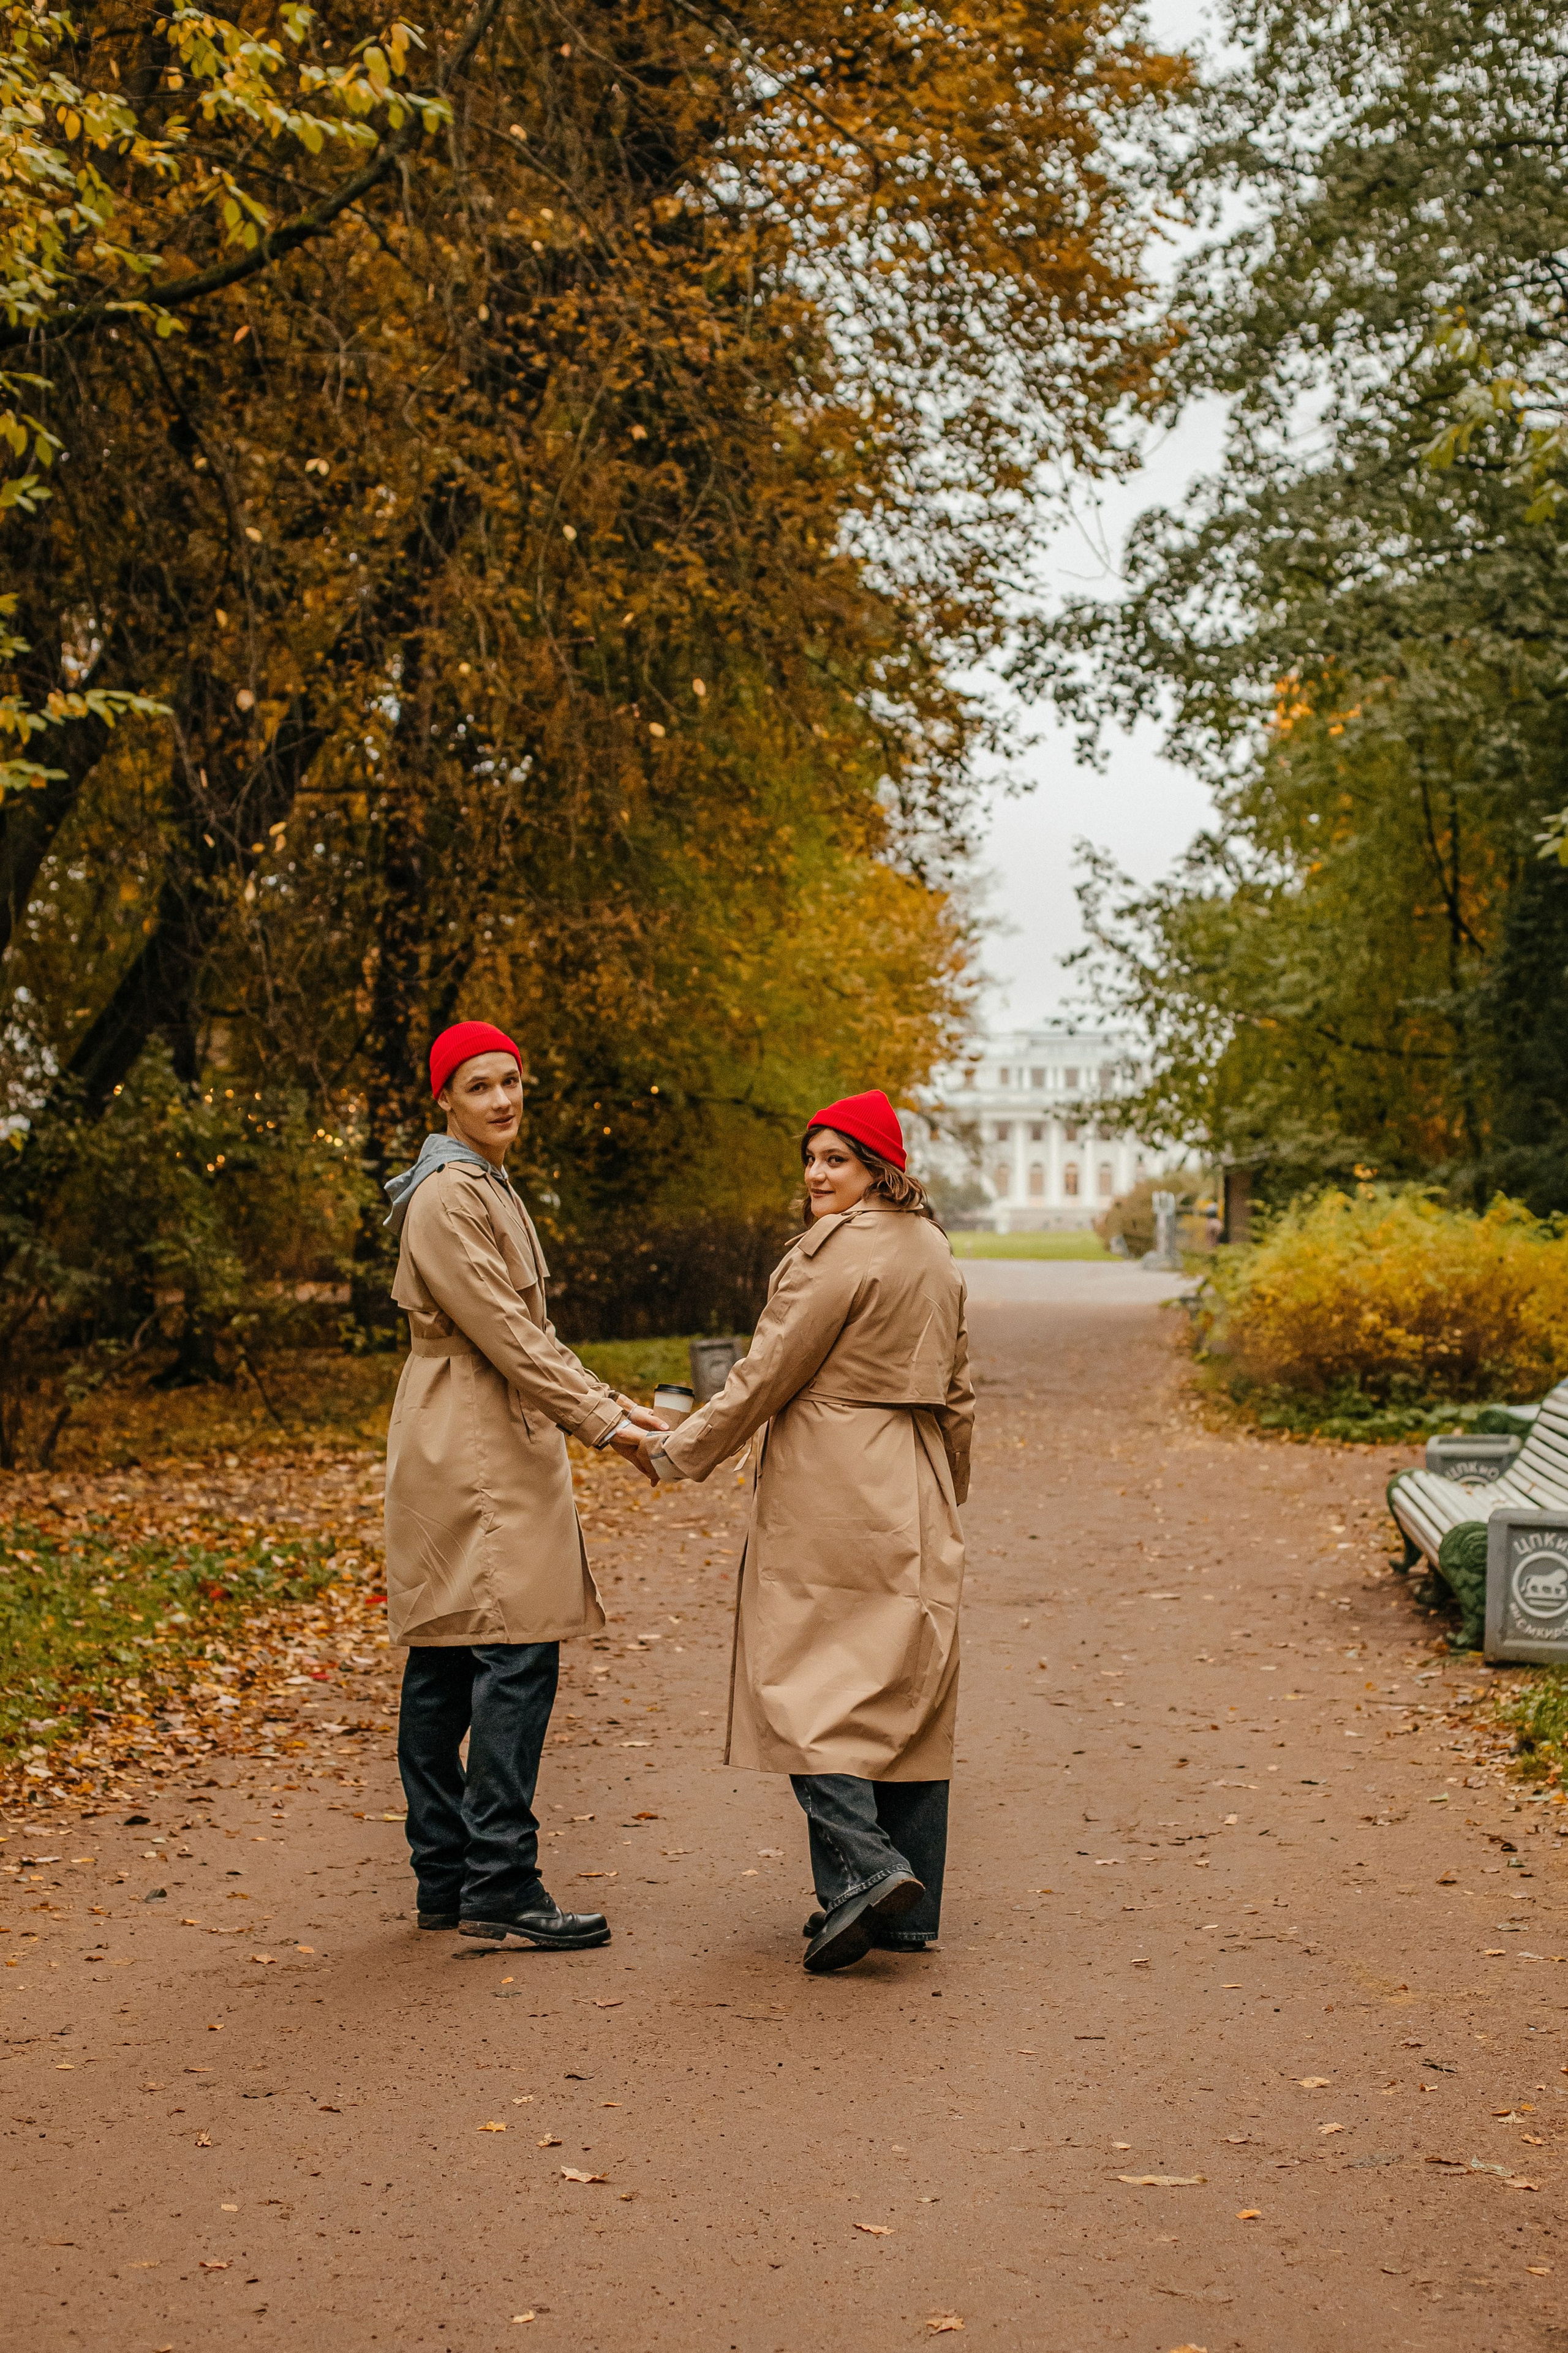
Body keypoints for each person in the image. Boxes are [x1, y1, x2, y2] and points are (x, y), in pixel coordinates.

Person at [638, 1088, 973, 1974]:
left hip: (833, 1472)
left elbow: (765, 1375)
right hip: (915, 1467)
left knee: (803, 1674)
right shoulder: (935, 1251)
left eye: (837, 1159)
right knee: (905, 1681)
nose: (816, 1174)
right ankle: (905, 1909)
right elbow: (961, 1387)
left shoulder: (832, 1253)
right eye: (813, 1157)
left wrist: (681, 1451)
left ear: (878, 1169)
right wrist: (948, 1486)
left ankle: (866, 1870)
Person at [382, 1020, 666, 1951]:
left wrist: (611, 1401)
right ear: (445, 1100)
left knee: (454, 1652)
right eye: (479, 1085)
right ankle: (497, 1876)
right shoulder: (447, 1197)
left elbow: (529, 1333)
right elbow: (507, 1337)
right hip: (474, 1438)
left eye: (511, 1080)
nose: (502, 1099)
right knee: (512, 1651)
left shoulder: (480, 1185)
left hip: (479, 1428)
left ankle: (447, 1877)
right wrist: (611, 1426)